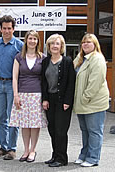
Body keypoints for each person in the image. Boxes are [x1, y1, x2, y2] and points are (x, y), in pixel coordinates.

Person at [9, 30, 47, 163]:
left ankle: (33, 150)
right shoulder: (19, 57)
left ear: (38, 41)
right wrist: (16, 95)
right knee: (25, 124)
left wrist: (45, 98)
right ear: (26, 40)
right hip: (22, 94)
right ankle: (25, 150)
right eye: (30, 38)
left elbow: (45, 79)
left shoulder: (42, 58)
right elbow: (14, 77)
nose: (32, 41)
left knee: (35, 124)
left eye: (35, 39)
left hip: (37, 94)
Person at [73, 33, 109, 167]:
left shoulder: (97, 59)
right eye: (83, 42)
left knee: (94, 131)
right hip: (82, 103)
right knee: (85, 130)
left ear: (95, 45)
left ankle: (93, 158)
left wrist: (85, 97)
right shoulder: (81, 58)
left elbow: (95, 82)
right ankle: (84, 155)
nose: (86, 44)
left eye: (89, 42)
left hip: (93, 102)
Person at [0, 15, 23, 160]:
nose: (6, 31)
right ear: (0, 29)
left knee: (13, 118)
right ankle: (3, 146)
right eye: (4, 28)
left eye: (9, 28)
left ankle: (12, 148)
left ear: (14, 29)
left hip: (12, 85)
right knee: (0, 118)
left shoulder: (19, 45)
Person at [42, 34, 76, 167]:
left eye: (57, 43)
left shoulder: (67, 61)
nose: (55, 46)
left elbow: (71, 83)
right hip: (50, 100)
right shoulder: (46, 61)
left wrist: (67, 101)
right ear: (49, 46)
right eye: (52, 44)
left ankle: (62, 158)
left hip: (63, 100)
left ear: (61, 46)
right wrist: (44, 99)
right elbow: (43, 82)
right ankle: (55, 155)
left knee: (61, 130)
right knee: (52, 129)